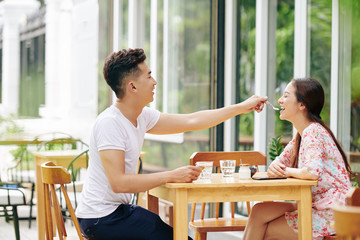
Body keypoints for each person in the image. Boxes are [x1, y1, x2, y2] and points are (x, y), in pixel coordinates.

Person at [75, 48, 268, 240]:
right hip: (100, 218)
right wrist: (173, 175)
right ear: (132, 87)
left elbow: (192, 121)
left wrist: (242, 107)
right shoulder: (110, 123)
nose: (154, 81)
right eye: (149, 76)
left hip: (117, 212)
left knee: (177, 235)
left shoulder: (142, 116)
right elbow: (119, 183)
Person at [243, 78, 353, 240]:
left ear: (302, 105)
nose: (280, 100)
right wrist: (276, 167)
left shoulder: (313, 131)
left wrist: (285, 171)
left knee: (264, 231)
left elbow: (312, 172)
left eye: (286, 96)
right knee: (259, 211)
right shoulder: (302, 136)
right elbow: (278, 163)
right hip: (315, 204)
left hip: (332, 212)